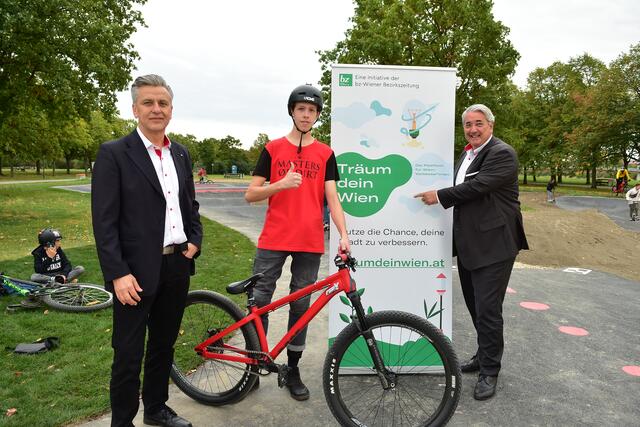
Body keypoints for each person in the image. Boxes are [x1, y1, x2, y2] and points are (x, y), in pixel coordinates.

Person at [92, 74, 202, 427]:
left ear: (171, 109)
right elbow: (104, 222)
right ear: (135, 108)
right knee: (127, 353)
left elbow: (189, 205)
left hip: (176, 266)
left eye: (163, 103)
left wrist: (194, 241)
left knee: (163, 346)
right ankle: (122, 421)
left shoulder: (181, 154)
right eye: (149, 103)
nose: (156, 109)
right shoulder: (114, 154)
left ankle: (155, 408)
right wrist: (117, 273)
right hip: (134, 273)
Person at [415, 104, 528, 401]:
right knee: (476, 307)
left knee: (489, 310)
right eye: (468, 125)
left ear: (490, 125)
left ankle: (490, 371)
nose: (473, 129)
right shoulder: (466, 155)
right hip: (469, 244)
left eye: (478, 123)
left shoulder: (502, 153)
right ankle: (482, 356)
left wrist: (439, 196)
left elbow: (478, 187)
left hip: (495, 245)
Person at [244, 84, 350, 401]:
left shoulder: (326, 153)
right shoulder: (273, 149)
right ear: (292, 111)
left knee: (300, 305)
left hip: (310, 239)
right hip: (274, 236)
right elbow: (251, 194)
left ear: (317, 115)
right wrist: (281, 184)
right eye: (301, 109)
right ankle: (255, 361)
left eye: (312, 110)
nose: (306, 115)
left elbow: (333, 198)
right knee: (259, 298)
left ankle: (292, 368)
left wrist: (344, 235)